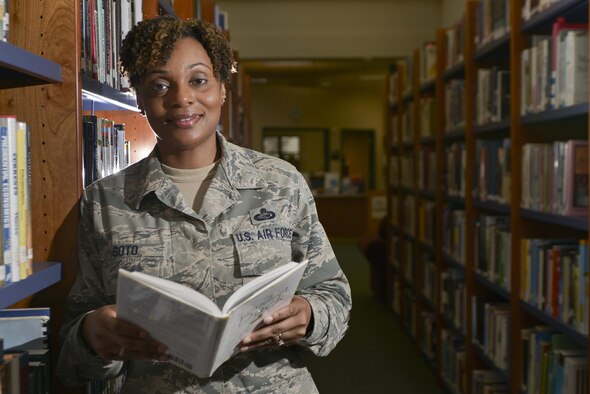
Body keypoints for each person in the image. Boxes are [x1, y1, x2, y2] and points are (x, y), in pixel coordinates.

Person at [56, 15, 352, 393]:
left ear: (222, 89)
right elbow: (73, 349)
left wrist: (309, 316)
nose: (182, 98)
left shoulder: (281, 183)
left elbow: (335, 295)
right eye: (159, 85)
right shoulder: (104, 202)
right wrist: (91, 335)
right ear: (141, 100)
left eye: (198, 80)